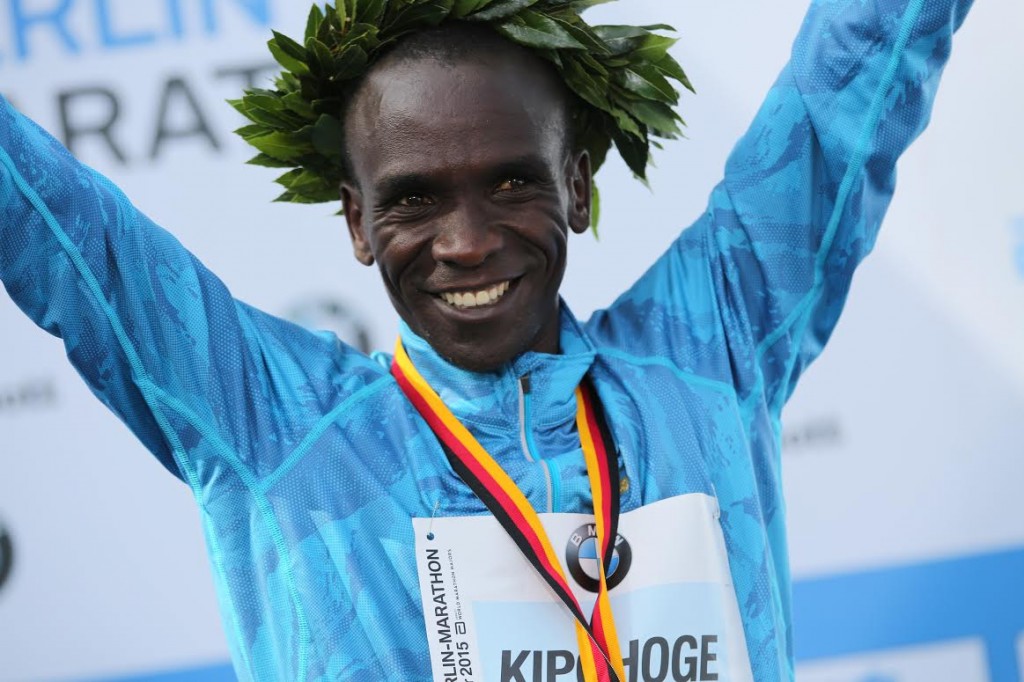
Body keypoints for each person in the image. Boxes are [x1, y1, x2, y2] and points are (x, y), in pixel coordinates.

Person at [0, 0, 975, 680]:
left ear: (579, 186)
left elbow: (851, 82)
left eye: (512, 182)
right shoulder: (274, 428)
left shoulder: (706, 352)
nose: (465, 242)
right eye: (413, 200)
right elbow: (57, 226)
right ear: (353, 222)